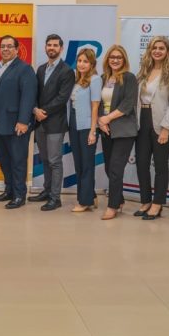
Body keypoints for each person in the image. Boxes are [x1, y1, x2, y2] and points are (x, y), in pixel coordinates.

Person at [133, 36, 169, 220]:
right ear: (149, 51)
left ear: (167, 51)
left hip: (162, 123)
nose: (157, 51)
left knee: (160, 166)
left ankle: (157, 203)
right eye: (154, 48)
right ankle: (145, 200)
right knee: (141, 163)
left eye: (161, 48)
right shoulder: (143, 71)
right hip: (142, 120)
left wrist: (166, 128)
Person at [0, 36, 36, 209]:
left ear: (16, 49)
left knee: (18, 161)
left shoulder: (25, 69)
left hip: (16, 124)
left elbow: (28, 96)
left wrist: (23, 121)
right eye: (3, 46)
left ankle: (19, 195)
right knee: (4, 159)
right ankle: (9, 190)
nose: (5, 49)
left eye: (9, 46)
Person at [31, 34, 74, 212]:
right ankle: (47, 191)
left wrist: (43, 112)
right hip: (40, 123)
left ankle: (55, 198)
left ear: (61, 48)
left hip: (55, 123)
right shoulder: (41, 69)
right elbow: (34, 93)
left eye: (55, 45)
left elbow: (62, 98)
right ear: (45, 47)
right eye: (49, 45)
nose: (52, 48)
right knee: (45, 159)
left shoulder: (67, 71)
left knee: (55, 161)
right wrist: (35, 109)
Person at [98, 45, 138, 221]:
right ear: (107, 59)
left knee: (115, 168)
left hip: (123, 130)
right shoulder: (103, 78)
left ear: (124, 60)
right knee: (109, 167)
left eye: (119, 57)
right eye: (112, 57)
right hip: (106, 129)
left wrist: (107, 118)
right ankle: (119, 199)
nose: (115, 60)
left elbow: (128, 104)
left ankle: (112, 206)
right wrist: (100, 120)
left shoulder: (129, 78)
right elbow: (97, 102)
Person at [68, 48, 101, 213]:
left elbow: (95, 107)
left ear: (92, 64)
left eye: (85, 61)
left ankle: (85, 201)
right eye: (79, 61)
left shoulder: (95, 80)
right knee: (79, 164)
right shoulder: (76, 80)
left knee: (86, 165)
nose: (81, 64)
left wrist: (93, 131)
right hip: (74, 124)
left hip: (87, 126)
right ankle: (91, 195)